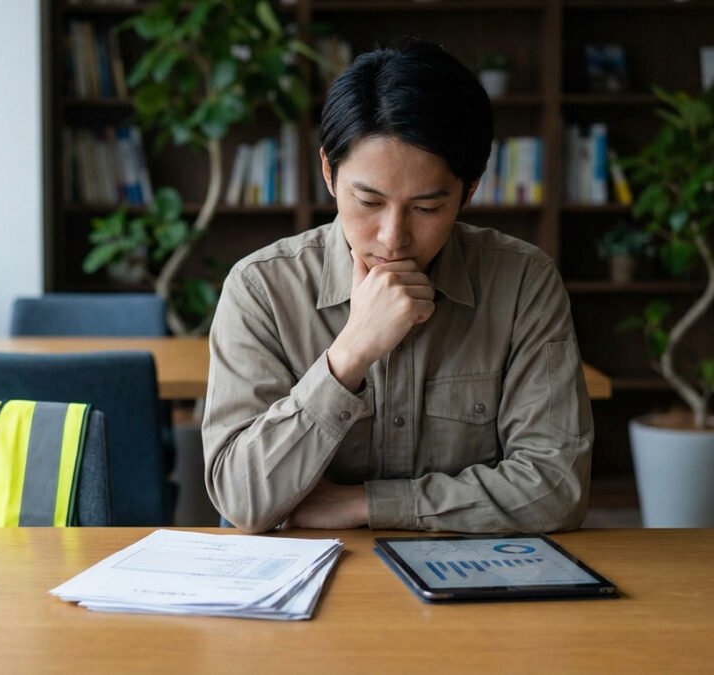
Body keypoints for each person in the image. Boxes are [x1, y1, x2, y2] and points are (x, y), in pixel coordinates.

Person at [202, 40, 593, 534]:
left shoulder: (522, 283)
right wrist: (351, 353)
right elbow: (242, 497)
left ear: (468, 192)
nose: (393, 237)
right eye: (367, 201)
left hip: (471, 587)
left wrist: (361, 506)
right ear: (328, 172)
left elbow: (555, 489)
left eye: (426, 208)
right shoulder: (261, 288)